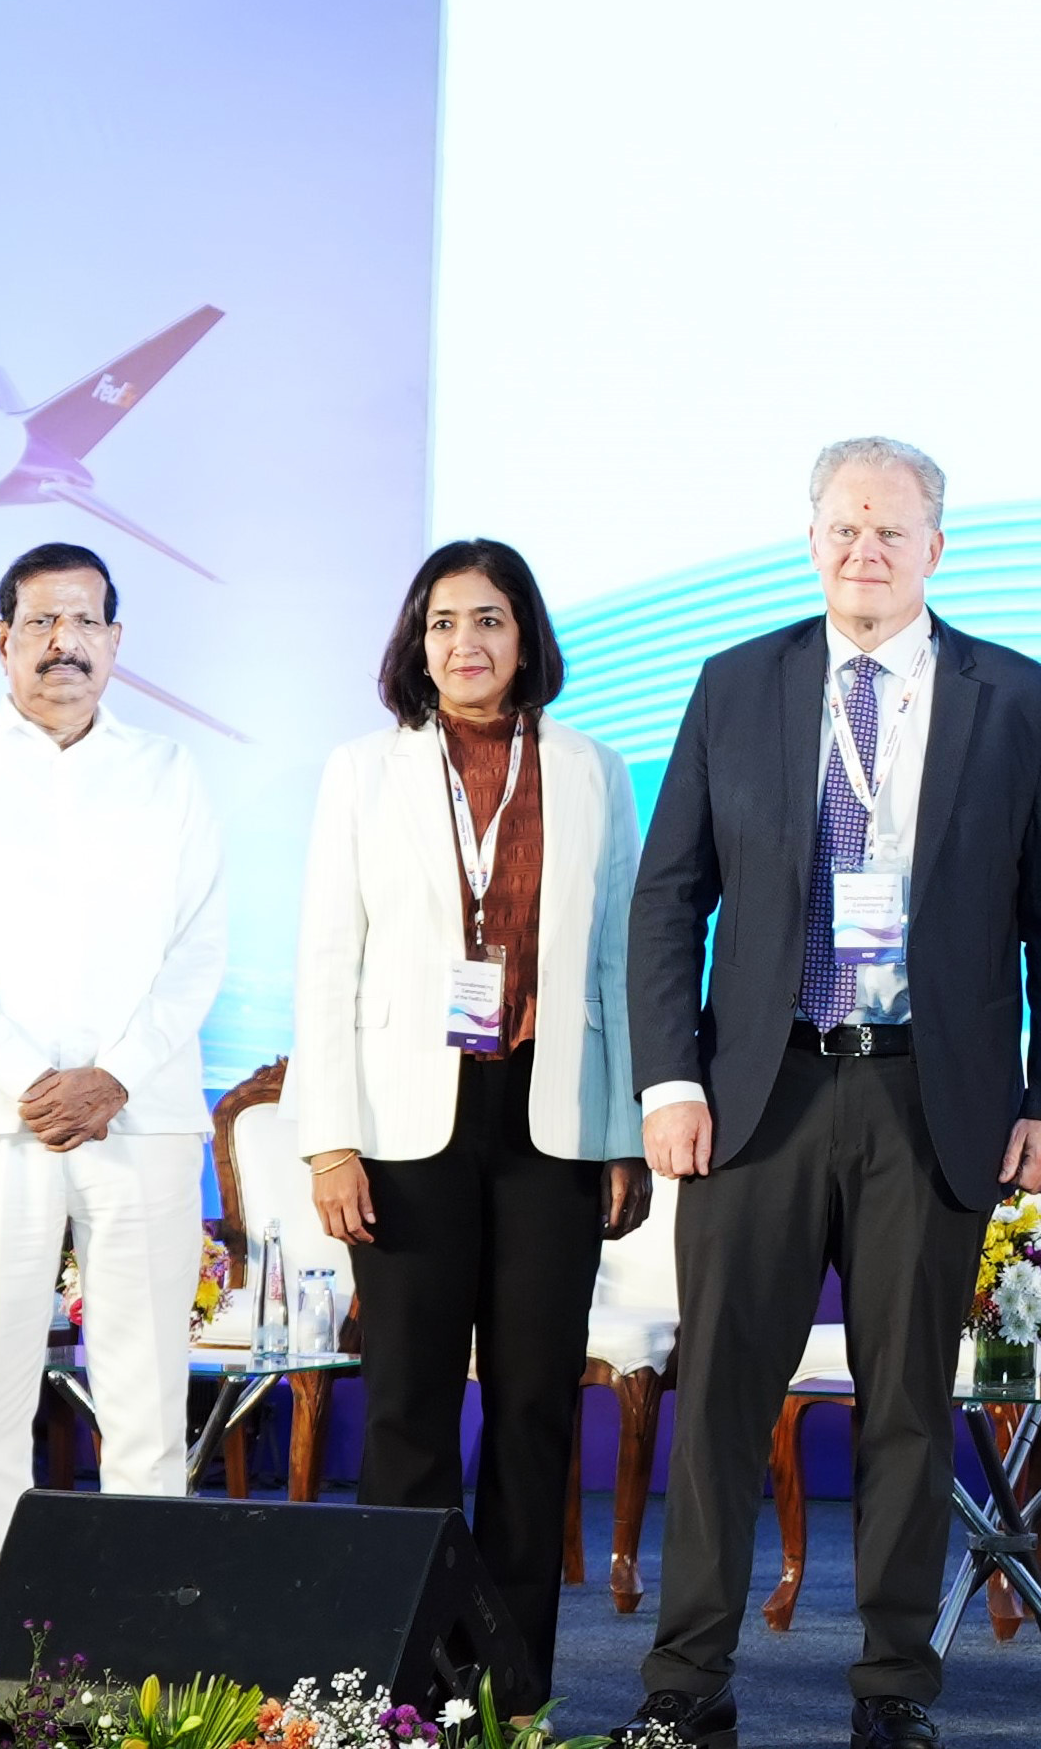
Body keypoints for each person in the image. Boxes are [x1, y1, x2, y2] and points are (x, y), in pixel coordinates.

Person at [619, 439, 1041, 1749]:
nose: (864, 552)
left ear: (936, 546)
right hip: (758, 1097)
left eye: (889, 531)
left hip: (926, 1102)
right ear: (812, 539)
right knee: (722, 1402)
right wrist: (670, 1075)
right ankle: (685, 1686)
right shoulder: (739, 686)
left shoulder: (1017, 699)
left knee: (906, 1412)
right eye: (842, 529)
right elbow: (671, 897)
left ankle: (892, 1695)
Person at [281, 538, 651, 1704]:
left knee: (536, 1407)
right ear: (415, 642)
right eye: (443, 623)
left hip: (550, 1118)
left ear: (526, 636)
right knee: (409, 1405)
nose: (465, 645)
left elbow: (625, 959)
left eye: (488, 620)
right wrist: (329, 1138)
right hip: (401, 1126)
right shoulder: (362, 770)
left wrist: (627, 1128)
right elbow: (327, 956)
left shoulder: (593, 769)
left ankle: (509, 1685)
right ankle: (395, 1679)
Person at [0, 542, 224, 1636]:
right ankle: (4, 1634)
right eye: (41, 623)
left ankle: (148, 1631)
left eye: (87, 621)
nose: (65, 643)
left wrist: (110, 1078)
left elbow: (200, 949)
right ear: (1, 641)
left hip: (137, 1117)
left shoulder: (169, 770)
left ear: (117, 642)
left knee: (146, 1387)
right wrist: (29, 1080)